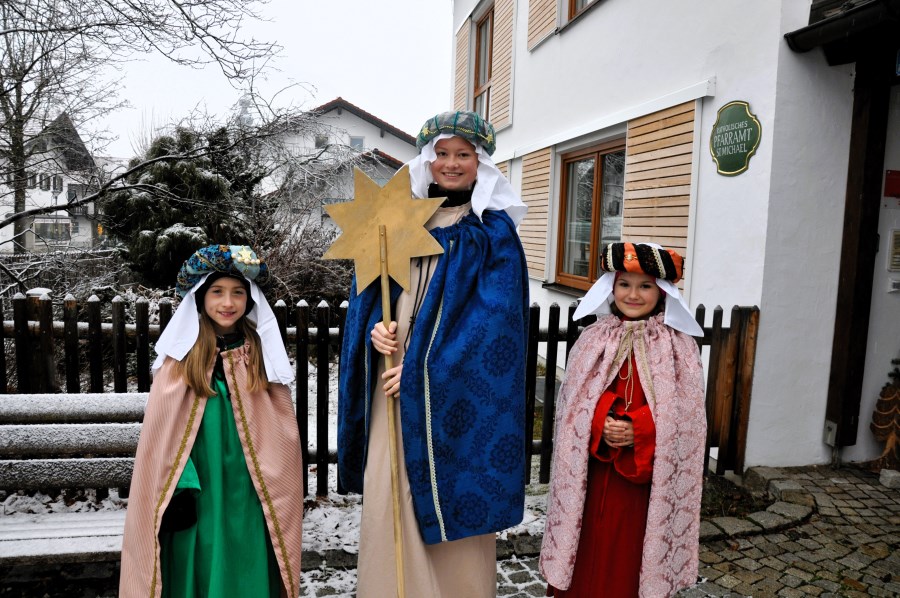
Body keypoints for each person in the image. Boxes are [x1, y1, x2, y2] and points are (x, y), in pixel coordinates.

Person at [338, 110, 530, 597]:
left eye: (463, 155)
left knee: (449, 491)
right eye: (442, 153)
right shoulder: (396, 222)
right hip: (393, 384)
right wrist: (375, 335)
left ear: (481, 163)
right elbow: (372, 298)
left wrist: (426, 371)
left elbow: (494, 330)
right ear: (426, 160)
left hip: (449, 394)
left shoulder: (493, 234)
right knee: (392, 490)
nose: (451, 163)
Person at [120, 244, 304, 598]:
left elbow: (281, 429)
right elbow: (164, 432)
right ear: (200, 297)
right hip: (198, 486)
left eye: (238, 293)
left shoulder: (259, 352)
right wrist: (181, 485)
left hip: (248, 486)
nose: (227, 302)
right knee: (200, 553)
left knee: (243, 549)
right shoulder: (182, 357)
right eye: (217, 292)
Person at [540, 242, 707, 598]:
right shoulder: (593, 338)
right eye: (624, 284)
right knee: (587, 547)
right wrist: (602, 419)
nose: (633, 294)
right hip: (592, 471)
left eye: (645, 285)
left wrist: (640, 428)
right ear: (611, 288)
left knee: (629, 555)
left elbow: (686, 414)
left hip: (644, 482)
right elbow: (574, 405)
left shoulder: (679, 346)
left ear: (662, 292)